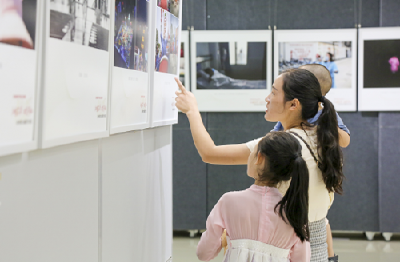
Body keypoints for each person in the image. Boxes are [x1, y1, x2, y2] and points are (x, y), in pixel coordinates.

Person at [174, 68, 345, 262]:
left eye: (273, 92)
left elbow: (210, 152)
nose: (267, 98)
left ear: (293, 104)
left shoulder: (283, 145)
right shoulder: (325, 137)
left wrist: (191, 110)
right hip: (317, 250)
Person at [197, 132, 310, 262]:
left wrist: (223, 240)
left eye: (253, 152)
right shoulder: (295, 212)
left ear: (259, 158)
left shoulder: (228, 201)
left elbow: (204, 254)